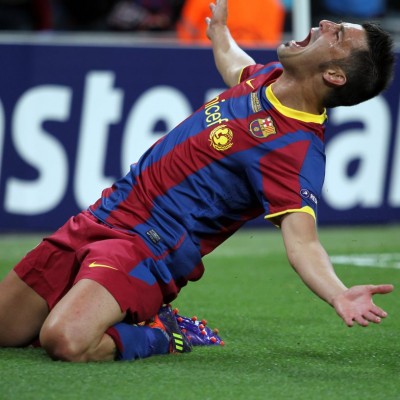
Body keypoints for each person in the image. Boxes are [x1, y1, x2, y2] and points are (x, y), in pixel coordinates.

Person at [0, 0, 395, 362]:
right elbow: (233, 64)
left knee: (65, 340)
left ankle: (164, 331)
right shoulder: (269, 80)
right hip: (104, 213)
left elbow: (303, 243)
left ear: (333, 75)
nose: (325, 23)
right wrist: (219, 30)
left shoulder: (296, 150)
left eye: (338, 35)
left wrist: (338, 293)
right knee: (6, 330)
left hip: (147, 248)